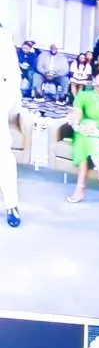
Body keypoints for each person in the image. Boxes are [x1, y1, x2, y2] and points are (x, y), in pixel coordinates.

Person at [64, 71, 99, 204]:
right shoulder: (82, 96)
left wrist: (96, 133)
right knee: (87, 125)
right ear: (94, 80)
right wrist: (78, 128)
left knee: (87, 137)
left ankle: (80, 187)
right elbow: (76, 120)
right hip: (83, 132)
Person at [0, 41, 22, 230]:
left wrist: (3, 105)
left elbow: (13, 79)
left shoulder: (3, 39)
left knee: (3, 157)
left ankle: (11, 205)